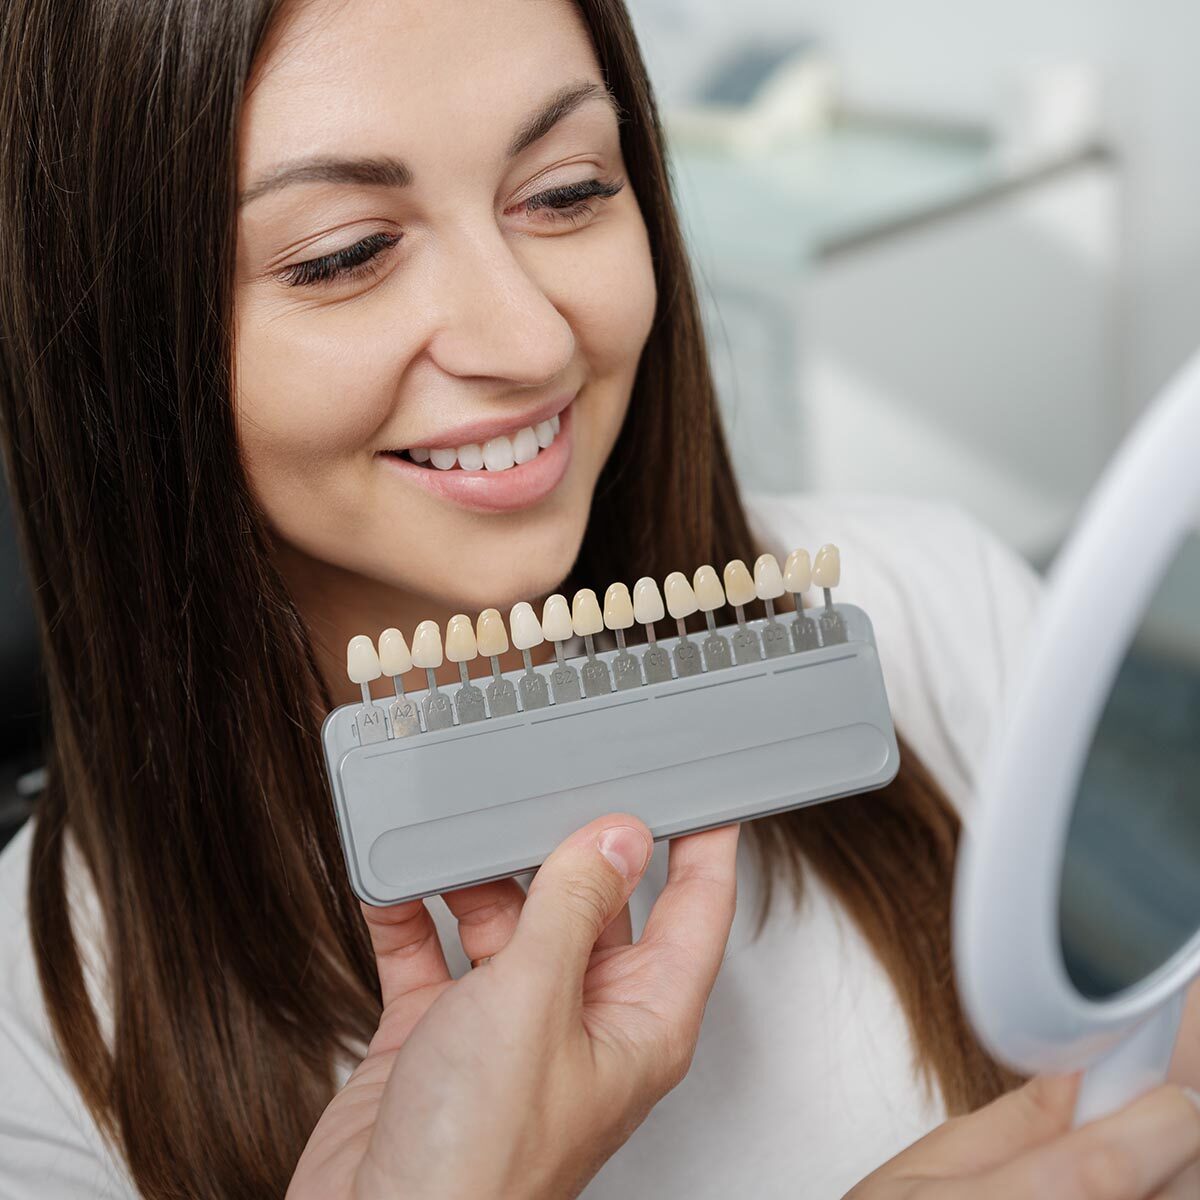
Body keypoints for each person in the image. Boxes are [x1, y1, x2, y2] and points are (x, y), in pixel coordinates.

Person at [0, 0, 1198, 1197]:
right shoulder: (35, 1045)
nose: (527, 338)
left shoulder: (937, 605)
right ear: (113, 337)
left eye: (567, 192)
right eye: (344, 255)